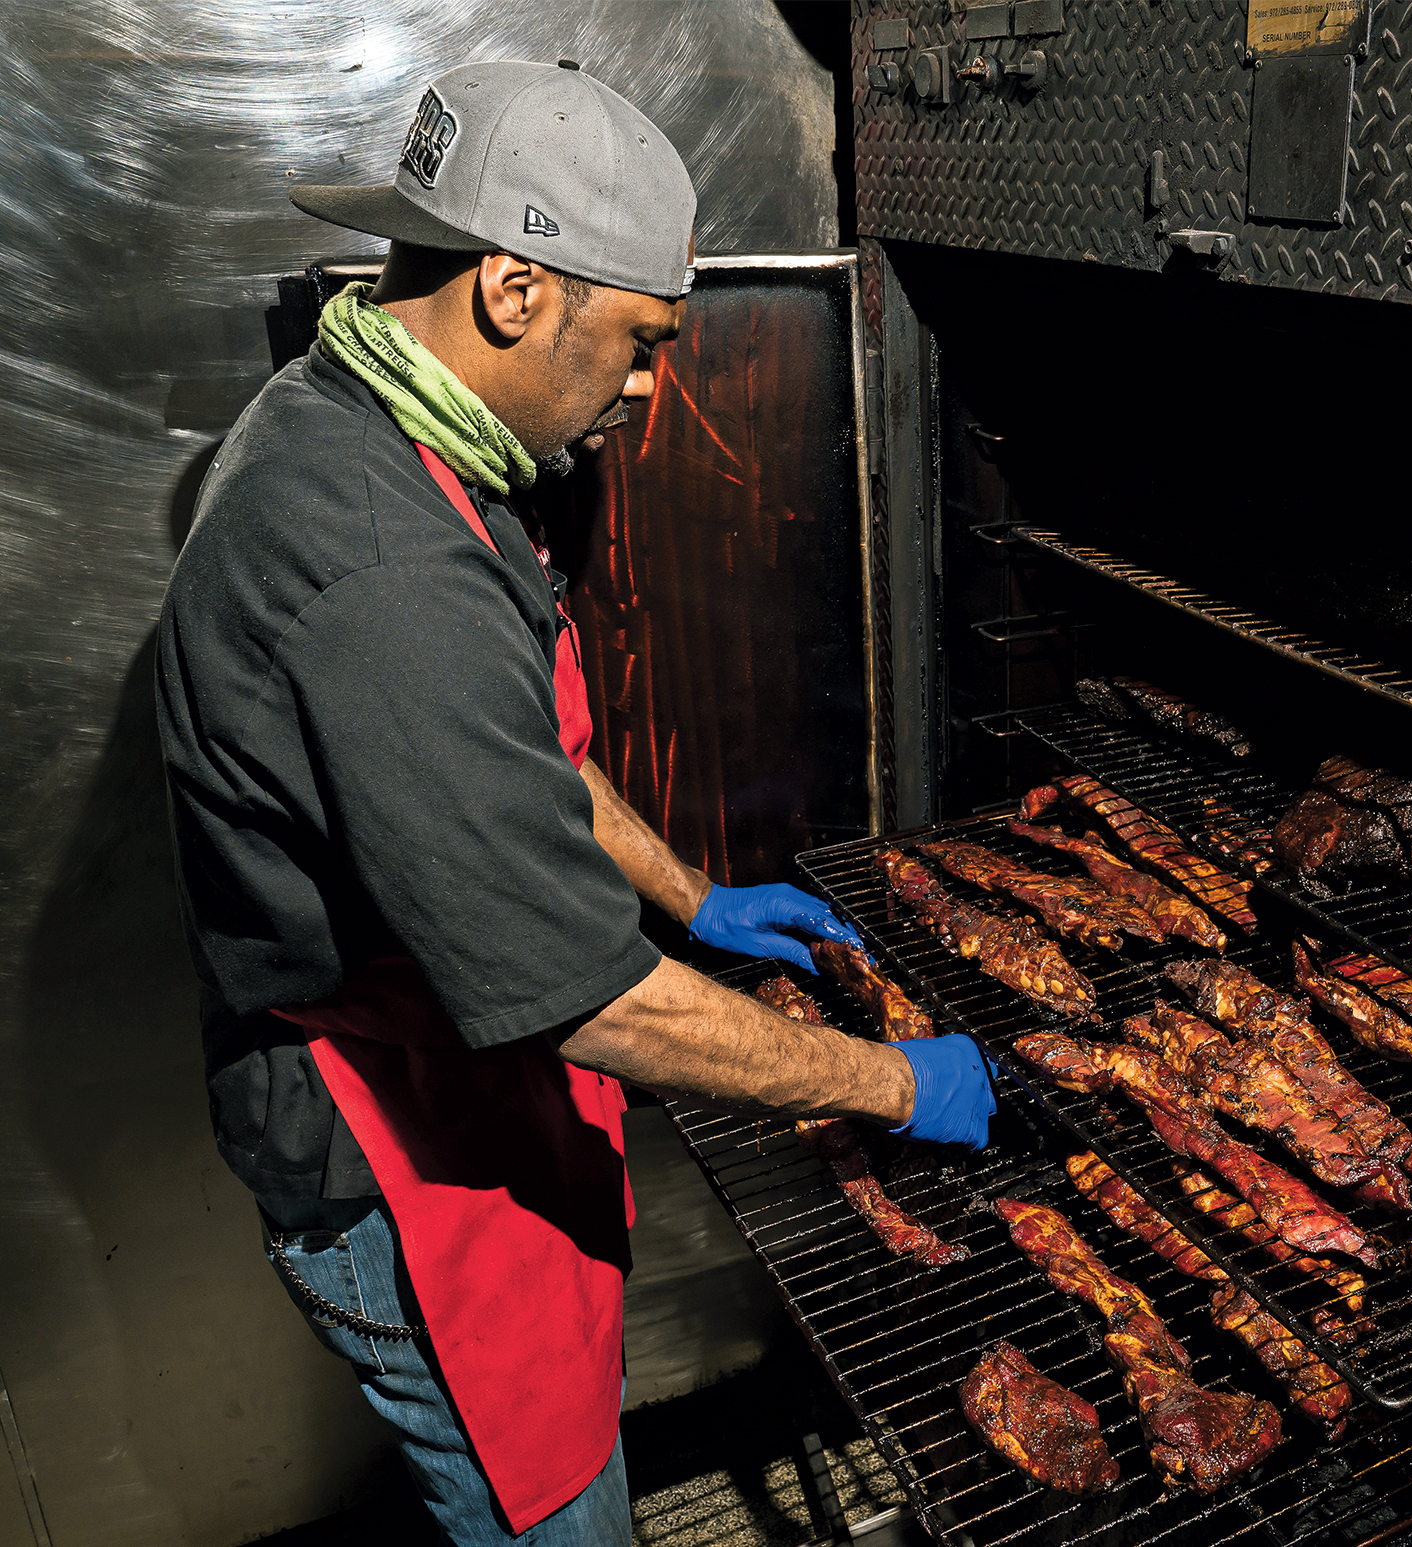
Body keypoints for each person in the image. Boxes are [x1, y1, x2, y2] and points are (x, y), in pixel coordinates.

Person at [155, 61, 994, 1545]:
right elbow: (585, 1003)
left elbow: (512, 748)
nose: (653, 387)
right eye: (643, 341)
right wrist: (898, 1086)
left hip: (443, 1067)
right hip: (390, 1152)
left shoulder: (370, 421)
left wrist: (691, 892)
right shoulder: (376, 563)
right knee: (555, 1514)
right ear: (515, 291)